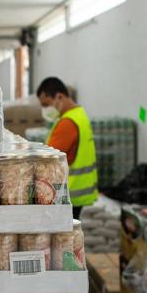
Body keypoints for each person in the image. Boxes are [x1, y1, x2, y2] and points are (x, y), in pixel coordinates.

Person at [37, 77, 98, 218]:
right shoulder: (80, 115)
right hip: (80, 193)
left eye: (46, 105)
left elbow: (48, 161)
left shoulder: (67, 123)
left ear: (59, 97)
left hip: (69, 193)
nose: (45, 110)